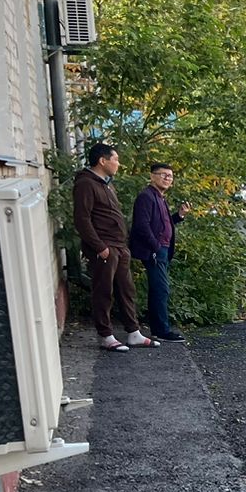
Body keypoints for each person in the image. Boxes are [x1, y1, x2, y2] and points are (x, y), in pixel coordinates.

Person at [73, 143, 156, 352]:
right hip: (104, 248)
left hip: (119, 246)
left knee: (126, 289)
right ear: (103, 160)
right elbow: (82, 219)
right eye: (116, 159)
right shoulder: (86, 184)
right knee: (103, 291)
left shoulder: (107, 184)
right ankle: (105, 335)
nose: (118, 163)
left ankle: (133, 332)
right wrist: (100, 246)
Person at [130, 162, 190, 342]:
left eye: (170, 176)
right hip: (154, 251)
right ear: (152, 176)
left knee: (159, 289)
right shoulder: (146, 197)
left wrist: (178, 216)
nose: (167, 178)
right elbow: (142, 225)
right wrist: (155, 246)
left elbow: (162, 224)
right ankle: (161, 330)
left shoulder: (160, 197)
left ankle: (159, 328)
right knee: (160, 289)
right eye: (162, 174)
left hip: (162, 249)